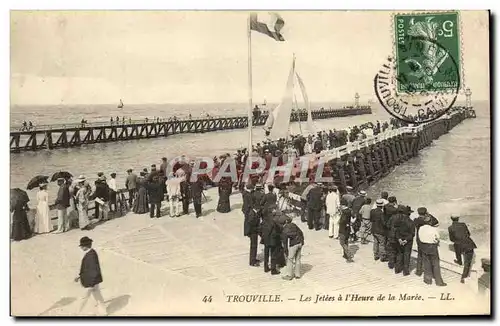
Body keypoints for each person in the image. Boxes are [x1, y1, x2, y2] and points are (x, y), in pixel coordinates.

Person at [75, 237, 107, 315]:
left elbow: (93, 270)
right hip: (94, 280)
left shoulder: (90, 255)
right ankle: (104, 312)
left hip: (90, 281)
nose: (81, 247)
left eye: (82, 246)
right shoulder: (92, 253)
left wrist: (91, 283)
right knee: (98, 296)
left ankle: (77, 313)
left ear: (85, 246)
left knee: (84, 297)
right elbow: (87, 269)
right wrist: (79, 276)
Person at [448, 214, 477, 283]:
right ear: (458, 218)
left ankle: (459, 261)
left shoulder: (450, 227)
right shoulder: (463, 224)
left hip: (459, 246)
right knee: (467, 263)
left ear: (451, 219)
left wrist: (458, 240)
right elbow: (468, 234)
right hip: (468, 244)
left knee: (456, 245)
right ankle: (463, 277)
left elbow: (451, 239)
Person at [419, 219, 447, 286]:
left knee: (426, 263)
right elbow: (438, 237)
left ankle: (427, 280)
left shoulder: (421, 228)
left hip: (424, 246)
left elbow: (420, 237)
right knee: (435, 264)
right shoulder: (433, 229)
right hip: (432, 247)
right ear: (430, 222)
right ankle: (439, 281)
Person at [414, 207, 439, 276]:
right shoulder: (428, 220)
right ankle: (432, 272)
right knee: (430, 256)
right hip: (428, 239)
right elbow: (436, 222)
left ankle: (418, 271)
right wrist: (429, 214)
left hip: (419, 238)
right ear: (426, 212)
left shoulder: (416, 220)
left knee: (420, 255)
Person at [281, 216, 305, 280]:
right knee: (298, 259)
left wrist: (286, 252)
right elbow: (301, 232)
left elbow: (285, 243)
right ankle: (297, 274)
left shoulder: (284, 230)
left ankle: (289, 275)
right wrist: (302, 242)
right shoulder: (294, 225)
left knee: (290, 259)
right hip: (299, 242)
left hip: (294, 244)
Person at [394, 206, 415, 276]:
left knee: (399, 254)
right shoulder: (411, 222)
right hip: (408, 241)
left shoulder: (398, 221)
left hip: (399, 240)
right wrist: (406, 240)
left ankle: (397, 269)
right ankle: (405, 271)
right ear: (409, 214)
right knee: (407, 255)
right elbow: (412, 234)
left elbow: (396, 231)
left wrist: (399, 239)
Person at [261, 207, 282, 275]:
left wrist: (263, 236)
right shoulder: (274, 220)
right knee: (273, 254)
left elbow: (260, 229)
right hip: (272, 240)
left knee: (266, 254)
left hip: (265, 240)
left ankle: (266, 267)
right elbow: (278, 229)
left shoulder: (264, 220)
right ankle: (273, 270)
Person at [244, 199, 260, 267]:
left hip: (253, 231)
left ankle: (254, 258)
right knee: (253, 246)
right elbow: (251, 223)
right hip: (252, 232)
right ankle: (252, 261)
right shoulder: (252, 214)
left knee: (254, 246)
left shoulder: (252, 212)